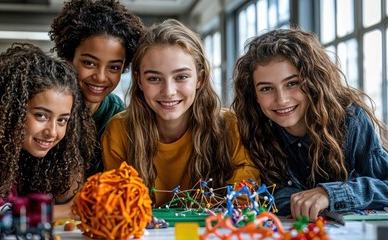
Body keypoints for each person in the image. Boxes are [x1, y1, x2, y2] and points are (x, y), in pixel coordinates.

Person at [232, 28, 388, 221]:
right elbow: (264, 195)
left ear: (313, 82)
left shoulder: (350, 121)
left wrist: (329, 194)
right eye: (266, 88)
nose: (281, 100)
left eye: (292, 83)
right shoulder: (254, 130)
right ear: (254, 95)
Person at [102, 19, 260, 207]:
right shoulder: (119, 131)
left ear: (199, 79)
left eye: (181, 77)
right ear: (139, 80)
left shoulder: (230, 126)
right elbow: (116, 204)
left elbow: (243, 200)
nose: (168, 91)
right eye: (154, 78)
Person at [0, 43, 96, 220]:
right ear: (11, 109)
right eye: (41, 116)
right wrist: (61, 211)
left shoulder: (25, 154)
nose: (52, 132)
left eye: (62, 120)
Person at [49, 0, 146, 176]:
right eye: (89, 63)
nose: (100, 77)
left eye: (114, 67)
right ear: (69, 57)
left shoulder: (116, 116)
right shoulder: (46, 105)